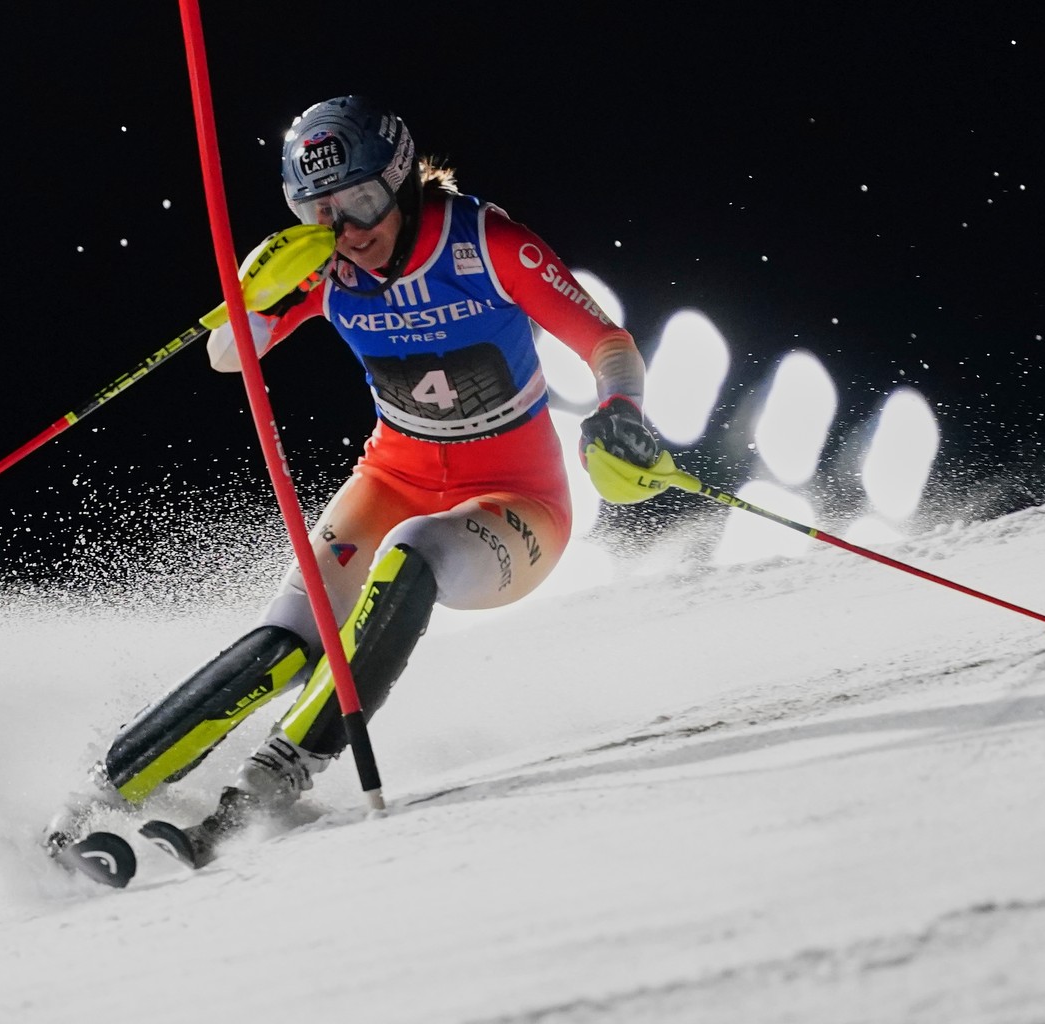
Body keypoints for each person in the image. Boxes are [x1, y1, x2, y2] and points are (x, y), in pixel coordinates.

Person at [49, 95, 683, 864]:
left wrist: (620, 409)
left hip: (518, 502)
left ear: (401, 180)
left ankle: (271, 781)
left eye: (360, 201)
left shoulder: (482, 241)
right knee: (292, 633)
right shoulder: (322, 263)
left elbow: (607, 341)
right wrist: (259, 291)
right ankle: (94, 799)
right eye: (319, 211)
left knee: (413, 551)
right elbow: (227, 357)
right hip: (392, 477)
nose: (347, 230)